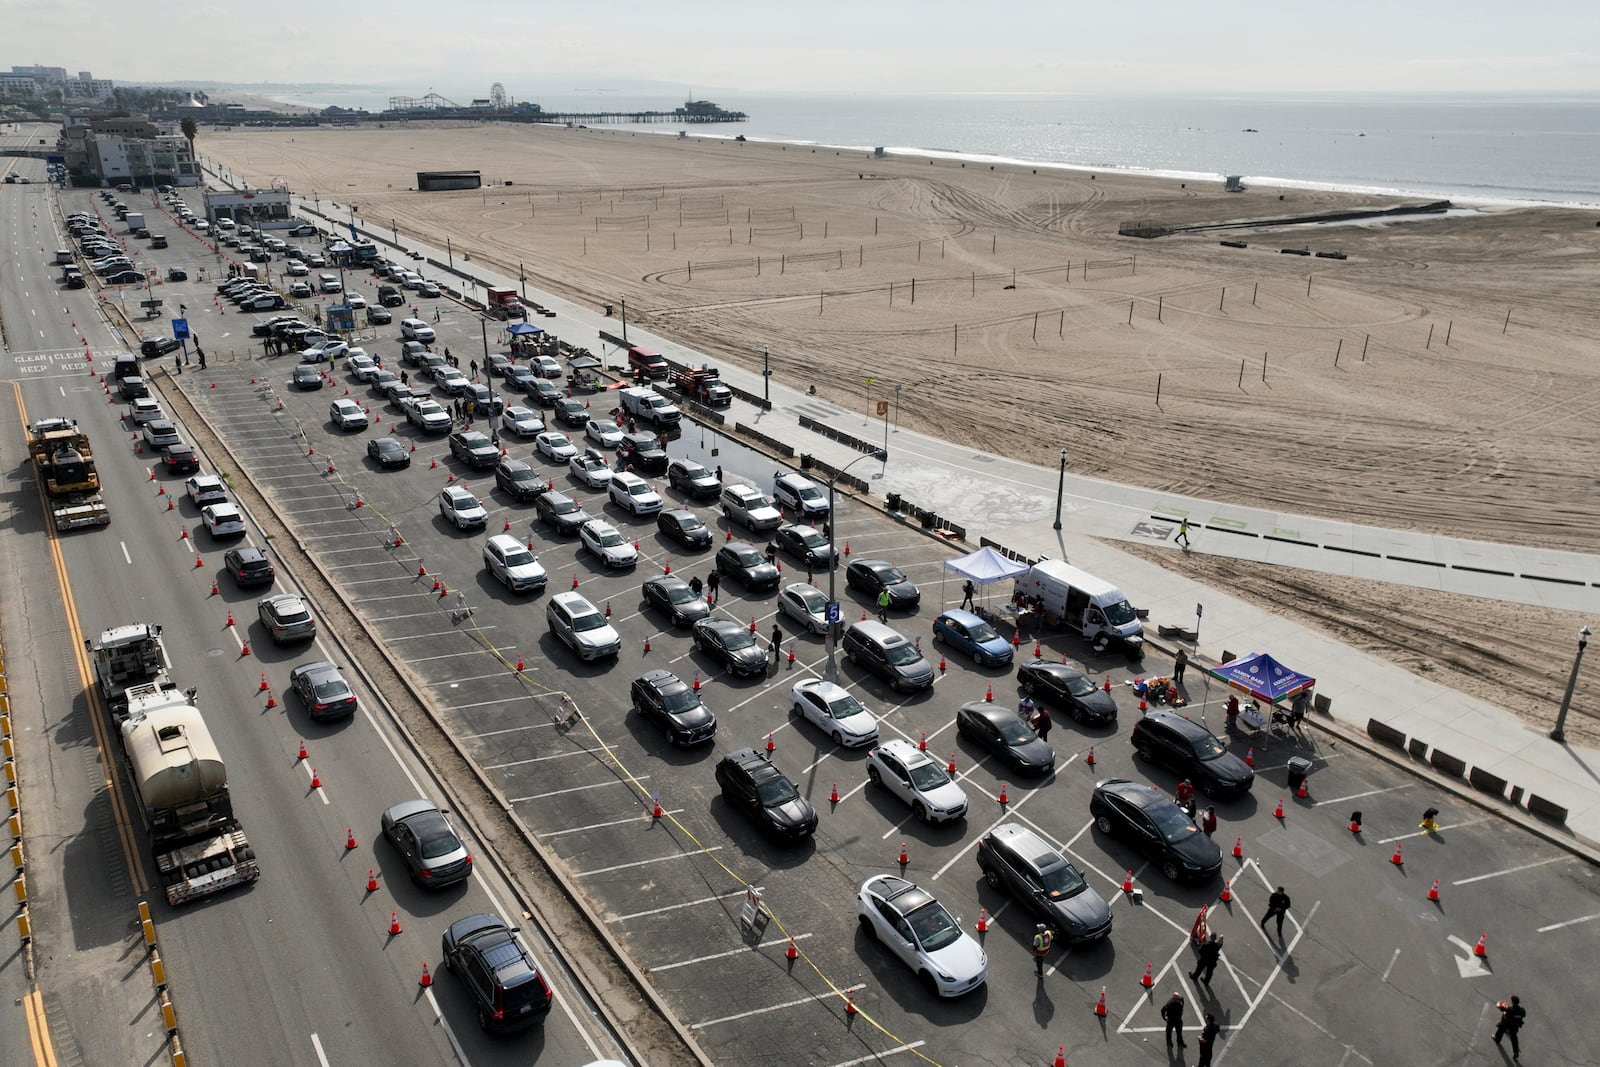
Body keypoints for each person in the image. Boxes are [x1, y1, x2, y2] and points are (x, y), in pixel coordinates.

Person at [1492, 995, 1525, 1060]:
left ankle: (1497, 1039)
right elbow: (1523, 1015)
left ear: (1512, 1002)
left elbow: (1501, 1008)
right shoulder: (1522, 1010)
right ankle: (1515, 1052)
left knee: (1501, 1029)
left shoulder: (1510, 1009)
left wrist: (1499, 1004)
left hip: (1508, 1024)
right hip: (1515, 1026)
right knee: (1514, 1038)